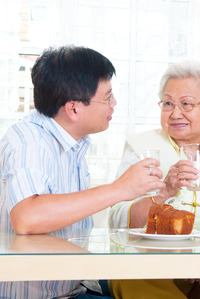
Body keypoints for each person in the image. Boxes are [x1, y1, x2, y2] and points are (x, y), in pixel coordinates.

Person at [0, 46, 164, 299]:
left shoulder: (71, 143)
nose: (114, 104)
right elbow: (27, 218)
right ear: (74, 109)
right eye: (107, 98)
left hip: (74, 288)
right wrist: (120, 189)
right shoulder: (29, 142)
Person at [108, 60, 200, 299]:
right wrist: (163, 193)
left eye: (186, 104)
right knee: (129, 273)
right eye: (167, 103)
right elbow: (116, 220)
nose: (175, 113)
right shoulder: (140, 147)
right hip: (152, 263)